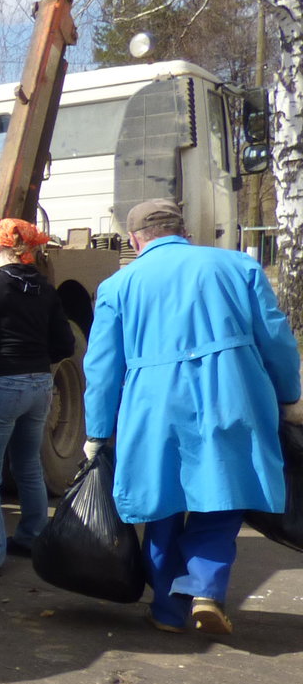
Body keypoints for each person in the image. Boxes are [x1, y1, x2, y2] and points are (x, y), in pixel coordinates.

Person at [83, 198, 303, 635]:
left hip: (154, 405)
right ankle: (205, 586)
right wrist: (289, 394)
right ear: (184, 232)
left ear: (135, 240)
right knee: (225, 492)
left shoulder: (117, 286)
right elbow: (275, 337)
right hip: (233, 394)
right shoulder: (239, 267)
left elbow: (102, 367)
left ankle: (168, 610)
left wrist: (97, 432)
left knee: (162, 501)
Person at [0, 218, 77, 576]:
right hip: (38, 386)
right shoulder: (45, 289)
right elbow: (65, 344)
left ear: (0, 246)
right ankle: (31, 537)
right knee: (28, 465)